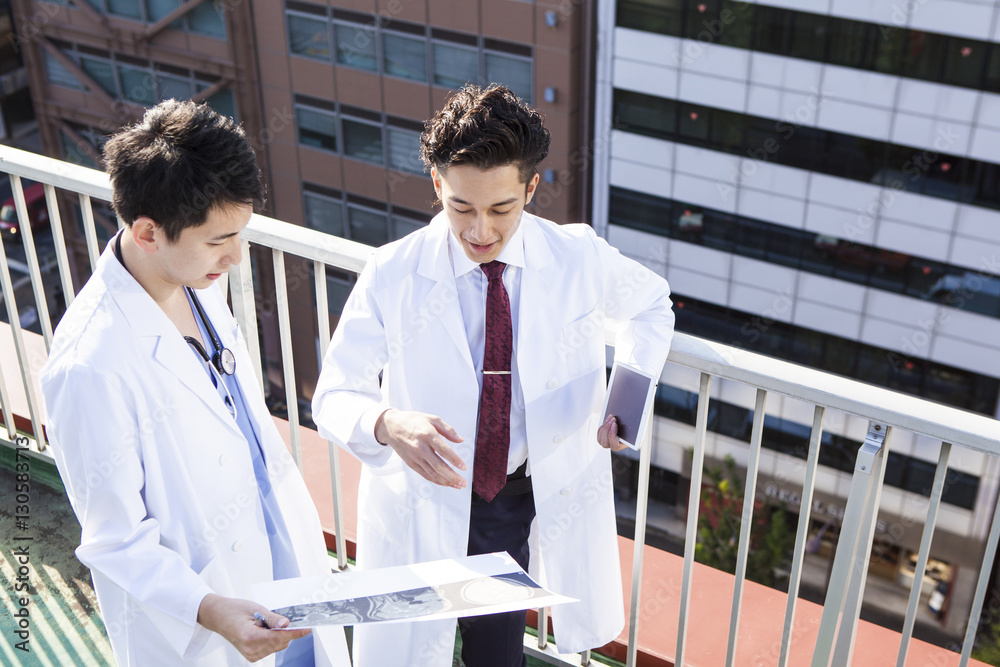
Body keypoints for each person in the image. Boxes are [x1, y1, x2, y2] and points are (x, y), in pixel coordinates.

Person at [311, 84, 675, 667]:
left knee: (497, 655)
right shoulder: (392, 272)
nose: (480, 230)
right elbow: (332, 396)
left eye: (501, 209)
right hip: (424, 496)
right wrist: (385, 422)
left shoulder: (576, 256)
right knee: (408, 653)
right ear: (437, 185)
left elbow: (653, 306)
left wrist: (624, 401)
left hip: (522, 494)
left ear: (531, 188)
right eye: (461, 207)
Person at [41, 100, 349, 667]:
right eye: (217, 241)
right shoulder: (89, 365)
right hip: (205, 624)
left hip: (286, 577)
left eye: (240, 235)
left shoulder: (199, 285)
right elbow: (115, 539)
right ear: (147, 232)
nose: (235, 257)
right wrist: (209, 608)